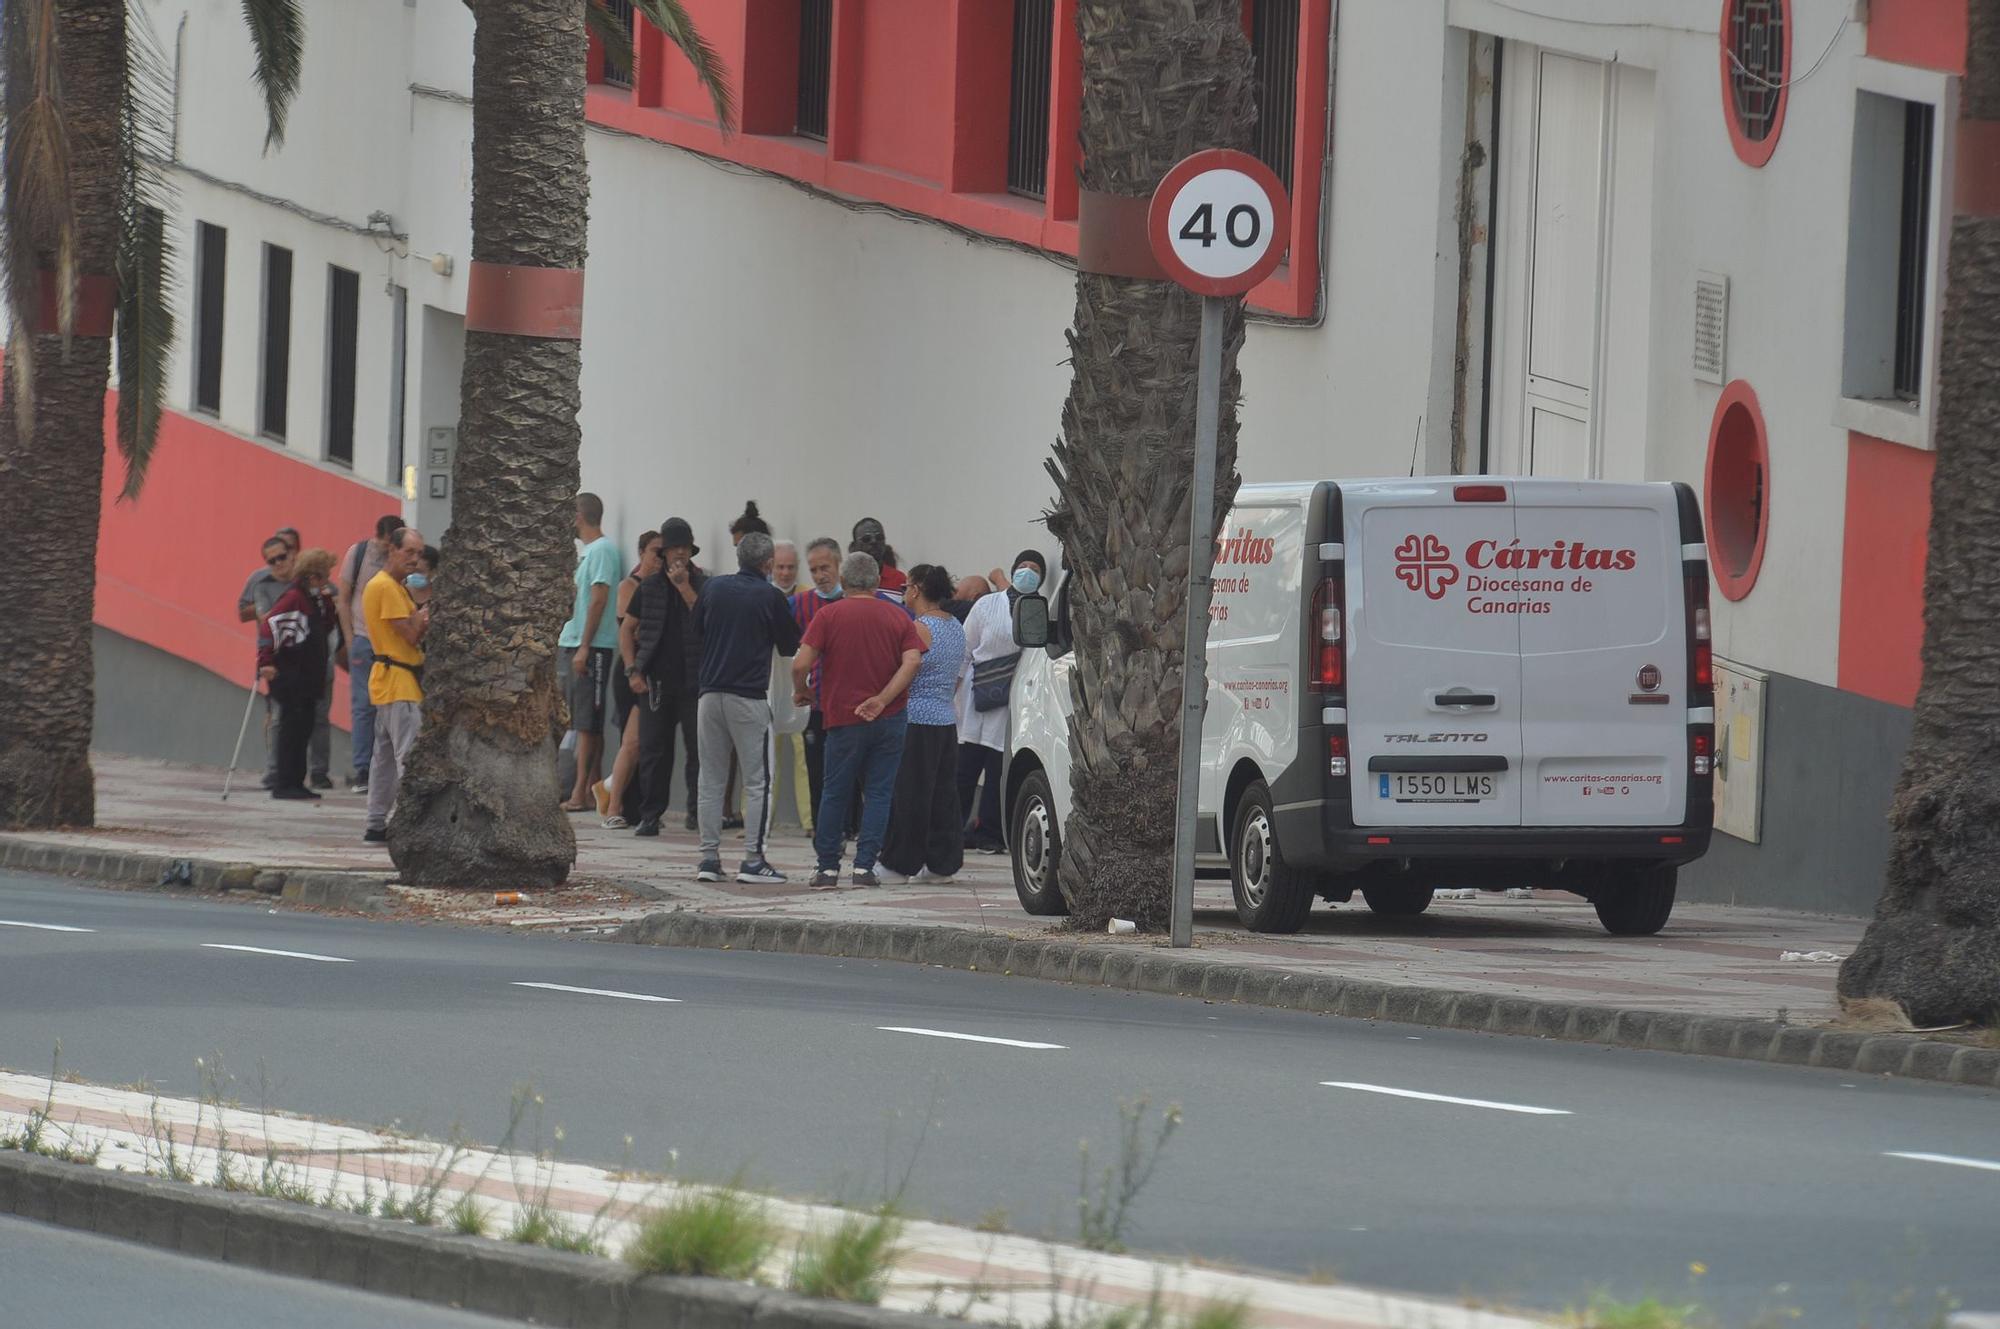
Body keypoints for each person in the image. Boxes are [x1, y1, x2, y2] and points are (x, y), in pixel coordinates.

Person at [791, 552, 924, 888]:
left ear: (845, 581)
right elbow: (912, 662)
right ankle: (865, 868)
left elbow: (800, 663)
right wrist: (882, 699)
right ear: (877, 581)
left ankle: (827, 868)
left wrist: (802, 691)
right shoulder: (898, 617)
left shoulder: (828, 615)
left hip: (843, 718)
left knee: (835, 791)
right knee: (878, 793)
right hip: (890, 717)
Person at [691, 532, 801, 883]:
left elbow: (696, 631)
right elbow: (789, 645)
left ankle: (708, 859)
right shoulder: (770, 597)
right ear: (768, 564)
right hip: (749, 697)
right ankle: (753, 860)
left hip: (709, 695)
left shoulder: (713, 588)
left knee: (710, 778)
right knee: (757, 781)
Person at [878, 565, 968, 884]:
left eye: (906, 587)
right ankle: (942, 864)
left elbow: (904, 672)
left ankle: (898, 864)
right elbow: (958, 675)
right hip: (945, 718)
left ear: (916, 589)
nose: (903, 593)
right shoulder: (956, 625)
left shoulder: (918, 627)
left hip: (916, 718)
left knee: (910, 793)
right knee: (943, 794)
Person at [959, 550, 1047, 853]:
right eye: (1022, 567)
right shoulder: (987, 604)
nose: (1027, 572)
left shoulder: (1039, 611)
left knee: (998, 771)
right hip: (976, 696)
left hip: (1010, 701)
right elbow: (965, 646)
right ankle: (953, 830)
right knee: (965, 769)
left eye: (1034, 569)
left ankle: (989, 833)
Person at [625, 517, 706, 837]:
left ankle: (697, 813)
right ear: (665, 553)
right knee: (654, 750)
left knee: (698, 751)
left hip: (695, 679)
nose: (680, 555)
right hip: (656, 681)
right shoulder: (649, 586)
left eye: (685, 548)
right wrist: (633, 670)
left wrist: (684, 586)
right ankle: (650, 815)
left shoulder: (702, 583)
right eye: (674, 549)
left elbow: (706, 619)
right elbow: (627, 629)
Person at [363, 527, 430, 844]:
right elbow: (410, 634)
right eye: (409, 552)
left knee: (385, 758)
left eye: (419, 554)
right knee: (408, 756)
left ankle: (377, 821)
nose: (415, 560)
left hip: (390, 681)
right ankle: (412, 822)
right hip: (399, 683)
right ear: (392, 549)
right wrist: (424, 617)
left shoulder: (395, 587)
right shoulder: (386, 588)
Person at [561, 493, 624, 814]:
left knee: (588, 721)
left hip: (593, 646)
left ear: (578, 516)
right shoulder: (587, 553)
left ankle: (580, 791)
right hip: (574, 642)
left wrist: (585, 646)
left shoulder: (602, 551)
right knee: (582, 719)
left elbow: (599, 599)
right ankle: (592, 786)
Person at [258, 548, 336, 801]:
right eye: (323, 576)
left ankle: (296, 780)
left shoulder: (312, 599)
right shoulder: (293, 598)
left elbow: (326, 626)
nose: (326, 581)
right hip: (291, 676)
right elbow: (270, 626)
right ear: (311, 576)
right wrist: (265, 661)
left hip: (308, 678)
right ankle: (285, 782)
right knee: (291, 729)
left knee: (304, 728)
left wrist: (327, 603)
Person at [337, 515, 406, 793]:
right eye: (388, 543)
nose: (390, 550)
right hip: (365, 639)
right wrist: (350, 637)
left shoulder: (403, 562)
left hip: (393, 642)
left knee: (394, 706)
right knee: (363, 705)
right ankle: (362, 768)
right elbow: (343, 598)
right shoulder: (359, 553)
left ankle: (388, 770)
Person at [597, 530, 661, 829]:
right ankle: (612, 804)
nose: (658, 559)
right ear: (641, 554)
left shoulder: (663, 588)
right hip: (630, 669)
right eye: (653, 552)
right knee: (632, 741)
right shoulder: (629, 587)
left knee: (645, 743)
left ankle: (632, 803)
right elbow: (629, 628)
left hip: (654, 671)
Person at [790, 537, 846, 833]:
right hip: (816, 699)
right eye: (813, 570)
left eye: (825, 567)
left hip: (850, 700)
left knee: (848, 767)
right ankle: (819, 824)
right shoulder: (801, 604)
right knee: (816, 766)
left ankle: (850, 824)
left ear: (839, 565)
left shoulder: (852, 600)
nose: (820, 575)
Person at [241, 535, 296, 791]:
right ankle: (274, 771)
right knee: (276, 716)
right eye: (271, 560)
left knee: (305, 717)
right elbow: (262, 618)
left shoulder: (304, 581)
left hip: (304, 658)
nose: (278, 563)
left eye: (281, 557)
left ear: (292, 553)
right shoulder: (261, 584)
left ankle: (297, 771)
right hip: (276, 658)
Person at [769, 540, 814, 834]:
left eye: (790, 567)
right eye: (780, 567)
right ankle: (758, 818)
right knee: (763, 755)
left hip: (800, 682)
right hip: (769, 682)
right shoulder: (764, 596)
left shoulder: (806, 598)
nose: (785, 573)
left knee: (803, 757)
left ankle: (809, 821)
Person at [850, 517, 906, 603]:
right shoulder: (847, 580)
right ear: (855, 545)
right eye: (866, 539)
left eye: (879, 537)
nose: (874, 541)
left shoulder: (900, 580)